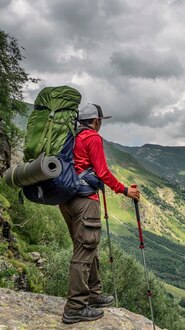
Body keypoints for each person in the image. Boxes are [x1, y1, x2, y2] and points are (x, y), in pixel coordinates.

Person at [60, 103, 141, 324]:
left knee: (88, 248)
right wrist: (125, 190)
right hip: (85, 200)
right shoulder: (92, 138)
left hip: (66, 200)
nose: (101, 124)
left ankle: (93, 295)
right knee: (85, 251)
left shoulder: (69, 137)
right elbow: (102, 171)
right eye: (101, 121)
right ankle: (75, 307)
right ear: (96, 121)